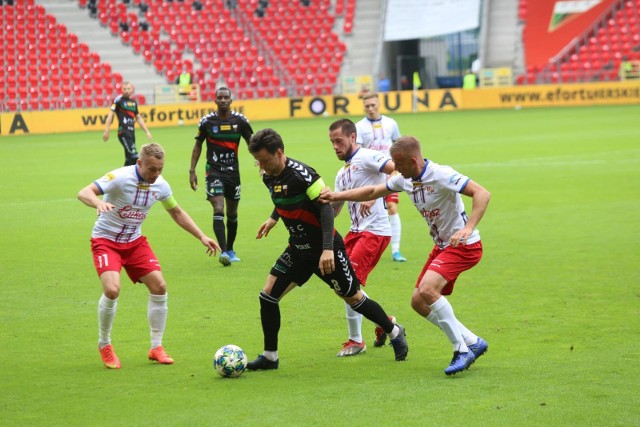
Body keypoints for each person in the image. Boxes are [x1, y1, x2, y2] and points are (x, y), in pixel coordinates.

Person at [319, 136, 491, 376]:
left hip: (464, 245)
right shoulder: (405, 179)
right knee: (418, 302)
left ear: (413, 160)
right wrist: (338, 196)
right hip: (442, 246)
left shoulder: (441, 174)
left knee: (429, 290)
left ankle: (460, 350)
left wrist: (468, 228)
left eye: (399, 165)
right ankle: (472, 341)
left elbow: (482, 193)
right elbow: (373, 190)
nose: (395, 170)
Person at [245, 128, 408, 371]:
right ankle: (270, 356)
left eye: (265, 160)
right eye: (258, 161)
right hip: (297, 250)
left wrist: (327, 249)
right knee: (267, 296)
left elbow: (324, 208)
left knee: (353, 298)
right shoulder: (268, 175)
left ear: (279, 153)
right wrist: (274, 218)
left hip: (325, 250)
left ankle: (394, 331)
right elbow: (282, 198)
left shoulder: (304, 175)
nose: (262, 166)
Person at [77, 143, 221, 369]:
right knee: (112, 289)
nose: (156, 175)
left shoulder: (160, 186)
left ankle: (156, 347)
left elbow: (176, 212)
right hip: (106, 241)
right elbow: (84, 192)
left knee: (159, 286)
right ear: (139, 163)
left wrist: (202, 236)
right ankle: (104, 343)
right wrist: (98, 202)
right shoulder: (120, 177)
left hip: (134, 242)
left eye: (160, 169)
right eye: (152, 169)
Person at [328, 119, 397, 357]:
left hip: (375, 231)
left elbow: (398, 172)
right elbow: (336, 208)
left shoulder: (368, 156)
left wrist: (377, 195)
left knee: (350, 284)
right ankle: (384, 321)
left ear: (353, 137)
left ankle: (356, 340)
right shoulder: (341, 172)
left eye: (339, 141)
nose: (335, 146)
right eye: (332, 143)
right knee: (339, 283)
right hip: (356, 232)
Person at [189, 87, 253, 266]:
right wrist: (192, 170)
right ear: (215, 101)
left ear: (231, 100)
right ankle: (224, 252)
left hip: (233, 173)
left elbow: (251, 142)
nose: (223, 100)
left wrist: (261, 161)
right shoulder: (207, 122)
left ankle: (230, 249)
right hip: (214, 171)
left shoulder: (240, 121)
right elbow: (198, 146)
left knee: (232, 213)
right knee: (218, 208)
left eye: (226, 97)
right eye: (220, 97)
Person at [355, 92, 406, 262]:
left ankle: (396, 250)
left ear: (379, 104)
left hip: (390, 173)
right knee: (368, 211)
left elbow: (399, 145)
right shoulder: (359, 127)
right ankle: (367, 247)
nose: (370, 109)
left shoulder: (391, 123)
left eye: (373, 105)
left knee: (391, 206)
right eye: (367, 106)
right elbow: (358, 152)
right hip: (370, 175)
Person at [103, 81, 152, 166]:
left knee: (129, 160)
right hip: (123, 132)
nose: (126, 90)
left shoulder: (133, 103)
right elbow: (111, 115)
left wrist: (146, 131)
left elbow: (138, 118)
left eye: (128, 89)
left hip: (131, 133)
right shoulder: (118, 100)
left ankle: (122, 177)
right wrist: (107, 130)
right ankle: (141, 178)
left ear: (132, 89)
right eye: (124, 89)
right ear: (121, 90)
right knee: (134, 156)